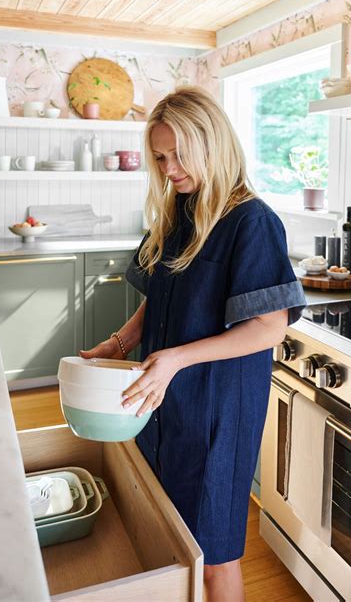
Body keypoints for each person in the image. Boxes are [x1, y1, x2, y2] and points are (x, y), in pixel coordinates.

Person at [80, 86, 306, 602]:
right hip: (162, 399)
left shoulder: (252, 222)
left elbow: (270, 328)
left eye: (179, 155)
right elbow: (159, 299)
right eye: (160, 157)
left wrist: (177, 358)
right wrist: (117, 344)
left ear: (213, 144)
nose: (168, 168)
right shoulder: (178, 212)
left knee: (212, 555)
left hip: (217, 410)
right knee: (168, 535)